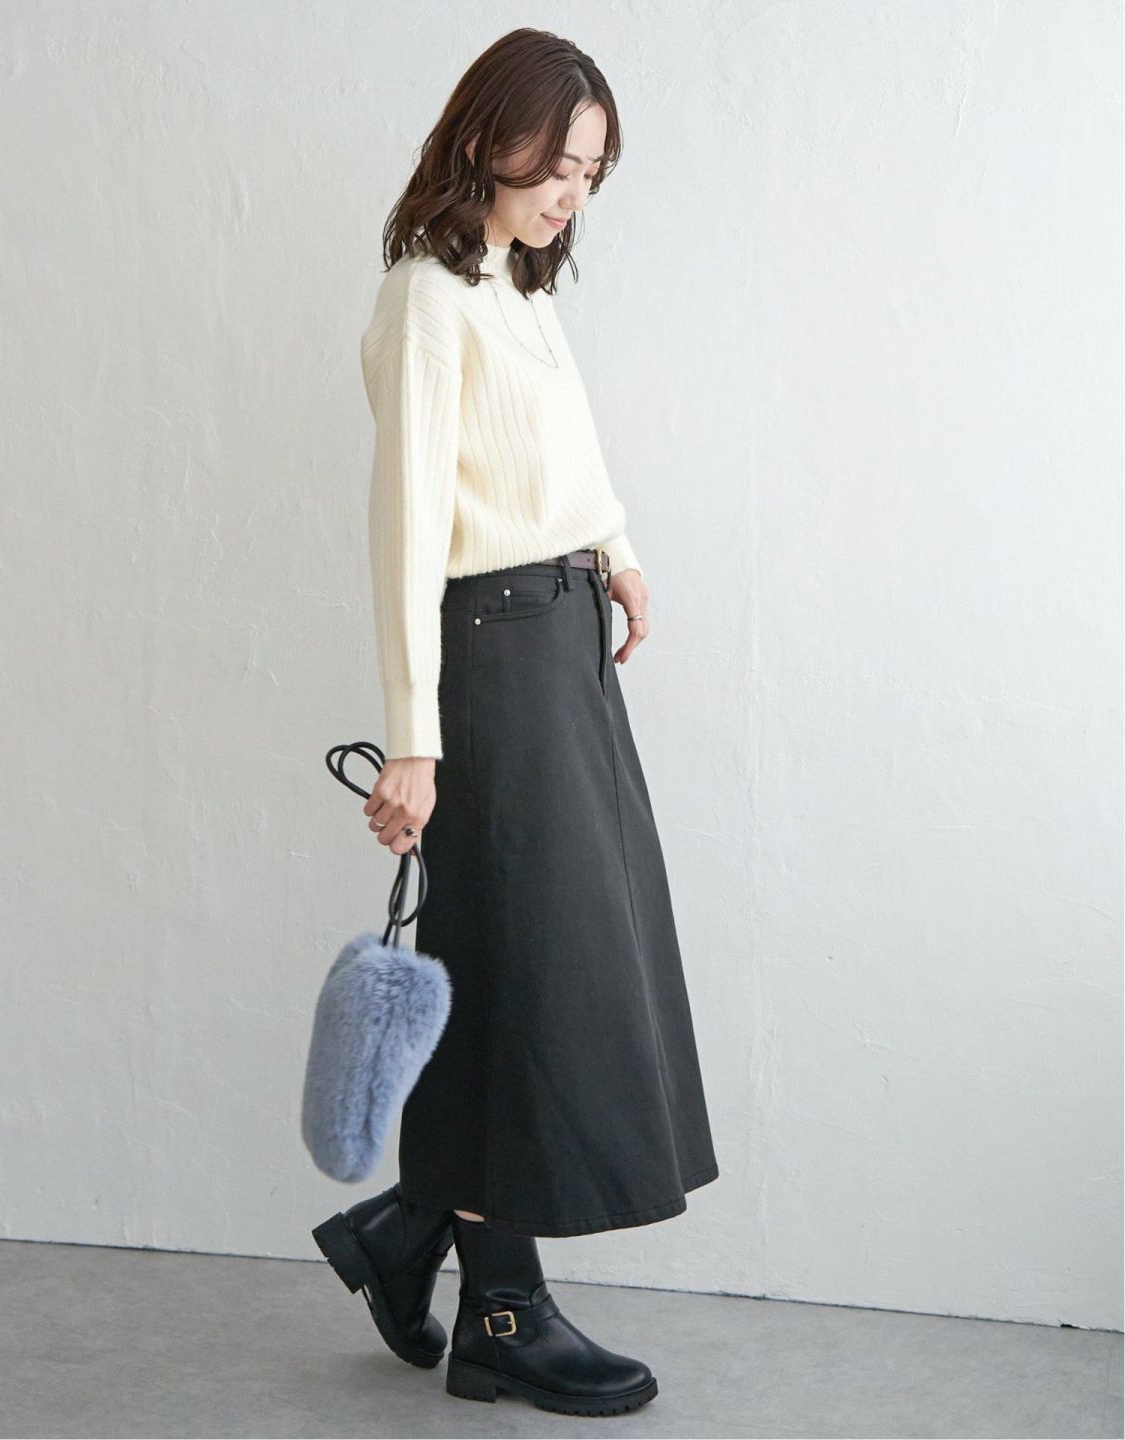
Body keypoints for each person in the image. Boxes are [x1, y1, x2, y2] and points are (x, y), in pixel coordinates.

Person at [312, 26, 718, 1417]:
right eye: (561, 163)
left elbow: (554, 460)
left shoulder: (516, 286)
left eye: (594, 172)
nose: (573, 193)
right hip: (489, 660)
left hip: (561, 649)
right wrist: (412, 737)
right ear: (492, 138)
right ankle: (500, 1310)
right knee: (528, 978)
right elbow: (408, 528)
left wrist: (616, 550)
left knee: (555, 965)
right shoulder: (428, 299)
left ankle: (407, 1234)